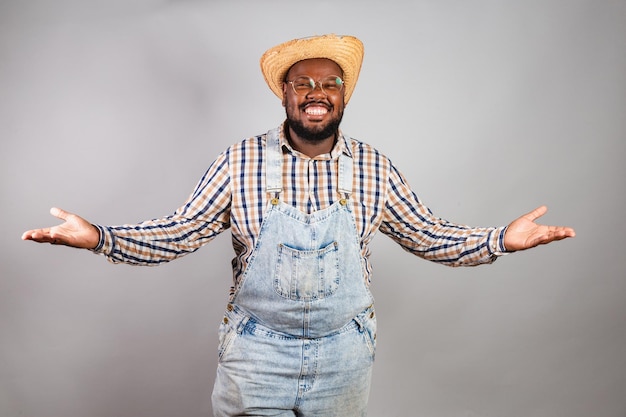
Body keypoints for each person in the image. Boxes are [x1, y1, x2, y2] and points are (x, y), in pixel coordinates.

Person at [22, 34, 575, 416]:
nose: (316, 92)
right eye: (302, 83)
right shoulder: (239, 161)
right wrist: (100, 237)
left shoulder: (374, 167)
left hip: (344, 356)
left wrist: (500, 239)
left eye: (329, 83)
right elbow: (180, 230)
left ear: (342, 95)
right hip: (255, 353)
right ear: (284, 94)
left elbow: (428, 234)